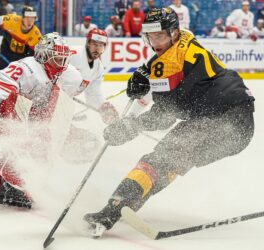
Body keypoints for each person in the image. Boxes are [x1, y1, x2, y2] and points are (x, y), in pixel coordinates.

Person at [83, 7, 255, 237]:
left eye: (160, 36)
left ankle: (113, 209)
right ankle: (125, 204)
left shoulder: (171, 63)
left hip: (225, 121)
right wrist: (148, 74)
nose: (155, 43)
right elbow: (164, 67)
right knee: (170, 161)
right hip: (237, 126)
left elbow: (165, 115)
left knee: (160, 159)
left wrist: (130, 126)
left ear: (173, 33)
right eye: (150, 37)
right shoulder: (185, 40)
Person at [0, 33, 83, 208]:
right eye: (57, 60)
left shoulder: (71, 75)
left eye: (64, 59)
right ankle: (12, 184)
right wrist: (5, 122)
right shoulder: (26, 68)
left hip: (30, 115)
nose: (61, 65)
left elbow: (61, 103)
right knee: (22, 143)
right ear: (43, 56)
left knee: (42, 146)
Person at [69, 28, 119, 125]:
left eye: (100, 45)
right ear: (88, 43)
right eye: (94, 44)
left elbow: (93, 94)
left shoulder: (98, 68)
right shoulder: (72, 54)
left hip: (63, 104)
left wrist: (103, 106)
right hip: (48, 100)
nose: (97, 49)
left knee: (92, 139)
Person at [0, 5, 42, 78]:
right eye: (27, 17)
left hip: (21, 64)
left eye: (32, 18)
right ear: (22, 17)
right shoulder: (12, 20)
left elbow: (33, 57)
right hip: (5, 57)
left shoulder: (36, 35)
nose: (30, 21)